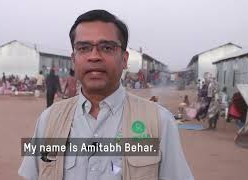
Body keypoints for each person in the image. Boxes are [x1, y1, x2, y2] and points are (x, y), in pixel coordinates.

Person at [19, 9, 193, 180]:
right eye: (84, 48)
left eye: (107, 47)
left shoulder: (159, 122)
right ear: (74, 59)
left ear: (124, 59)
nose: (94, 56)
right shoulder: (49, 120)